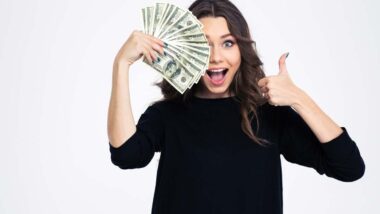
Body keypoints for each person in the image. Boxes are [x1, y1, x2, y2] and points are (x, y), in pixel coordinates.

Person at [107, 0, 365, 213]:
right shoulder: (167, 115)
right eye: (204, 44)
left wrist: (299, 98)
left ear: (241, 50)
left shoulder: (269, 116)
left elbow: (349, 167)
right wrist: (121, 64)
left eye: (227, 43)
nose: (216, 56)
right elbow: (126, 156)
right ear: (187, 49)